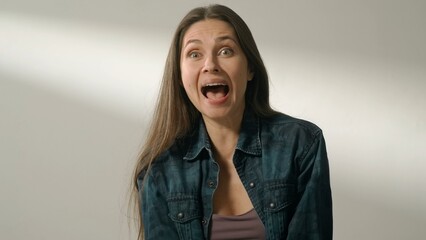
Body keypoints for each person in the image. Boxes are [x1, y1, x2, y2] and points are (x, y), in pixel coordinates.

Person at [132, 4, 332, 240]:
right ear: (179, 76)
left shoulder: (301, 145)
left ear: (250, 68)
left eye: (226, 51)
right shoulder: (159, 172)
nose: (210, 65)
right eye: (194, 54)